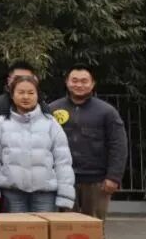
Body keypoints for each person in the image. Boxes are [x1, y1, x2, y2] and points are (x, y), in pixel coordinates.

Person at [0, 74, 75, 213]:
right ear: (12, 95)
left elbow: (63, 161)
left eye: (31, 93)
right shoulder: (0, 124)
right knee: (16, 228)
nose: (25, 97)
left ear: (38, 95)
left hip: (45, 195)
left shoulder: (51, 124)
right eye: (20, 92)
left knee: (44, 228)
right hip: (12, 194)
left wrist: (65, 194)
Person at [51, 65, 128, 220]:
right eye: (74, 80)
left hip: (97, 181)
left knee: (94, 226)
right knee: (64, 226)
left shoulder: (107, 112)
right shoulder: (52, 109)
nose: (79, 85)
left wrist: (113, 177)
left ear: (92, 84)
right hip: (62, 179)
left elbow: (118, 145)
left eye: (84, 81)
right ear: (67, 82)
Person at [0, 61, 50, 134]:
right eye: (17, 78)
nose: (22, 82)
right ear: (8, 81)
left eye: (27, 79)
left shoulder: (41, 105)